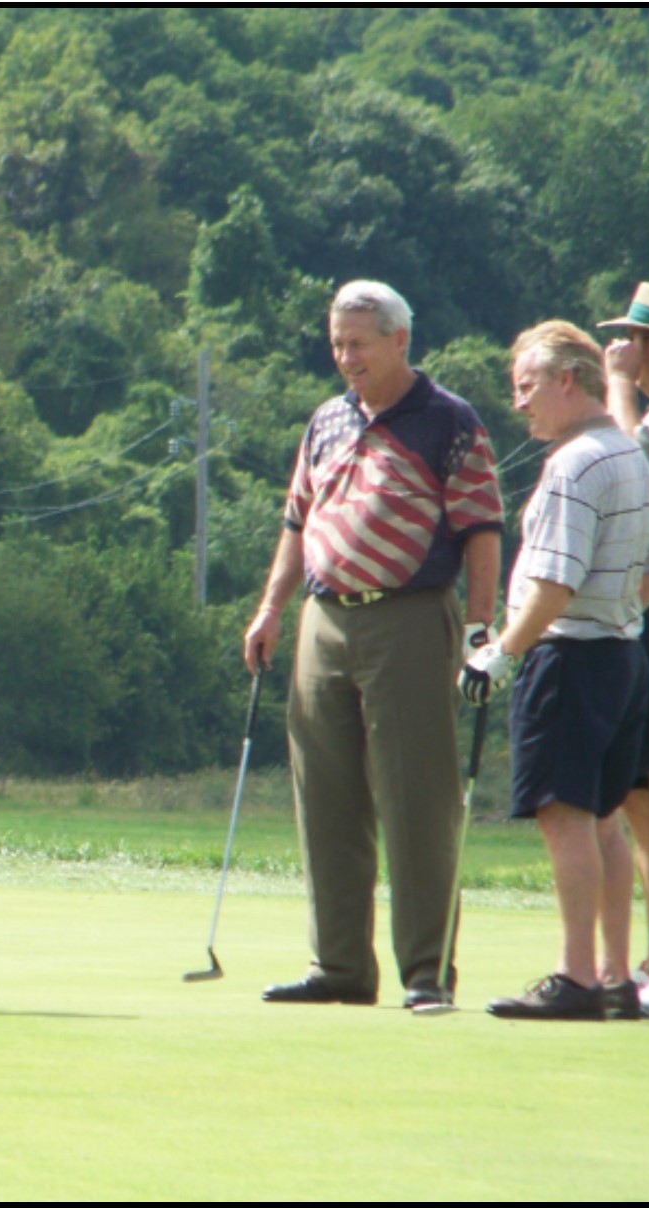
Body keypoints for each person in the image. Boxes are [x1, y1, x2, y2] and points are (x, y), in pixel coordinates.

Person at [244, 280, 503, 1010]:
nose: (344, 356)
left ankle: (427, 972)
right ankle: (341, 969)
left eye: (358, 342)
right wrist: (270, 610)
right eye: (336, 343)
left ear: (399, 340)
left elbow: (482, 533)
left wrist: (481, 634)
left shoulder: (448, 421)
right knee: (323, 795)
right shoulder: (326, 419)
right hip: (324, 619)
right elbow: (298, 523)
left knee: (416, 796)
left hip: (412, 616)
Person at [463, 322, 649, 1020]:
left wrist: (502, 652)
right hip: (622, 654)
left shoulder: (575, 463)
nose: (520, 404)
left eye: (527, 387)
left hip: (571, 655)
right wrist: (613, 615)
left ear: (566, 380)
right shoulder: (631, 454)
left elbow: (553, 582)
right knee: (606, 816)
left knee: (566, 816)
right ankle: (613, 974)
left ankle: (577, 976)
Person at [599, 282, 649, 1020]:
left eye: (645, 340)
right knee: (642, 792)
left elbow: (635, 480)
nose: (632, 352)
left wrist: (615, 387)